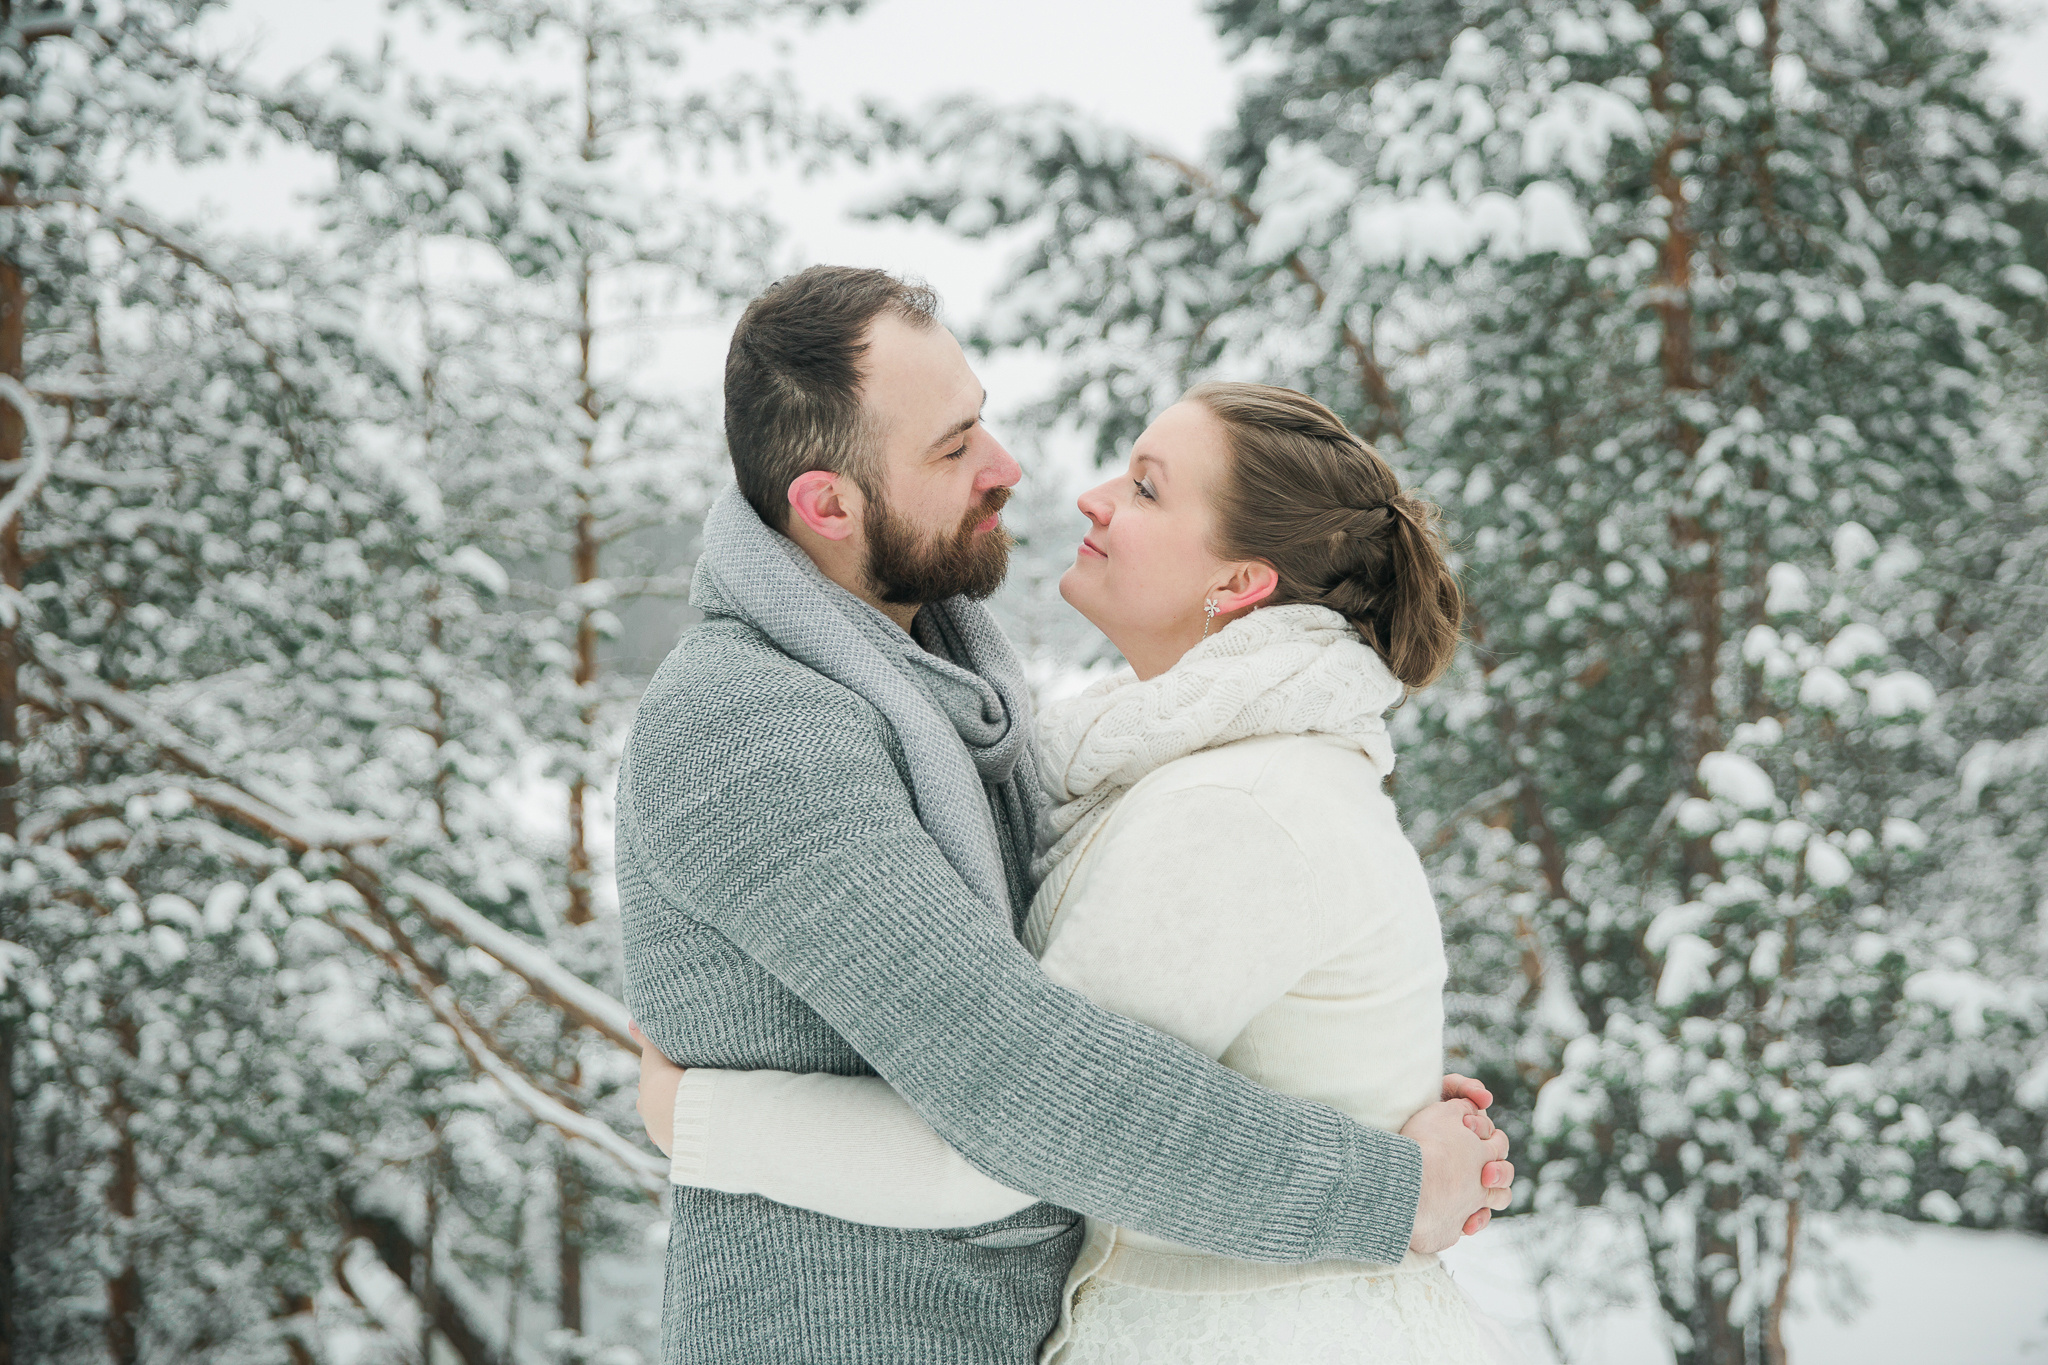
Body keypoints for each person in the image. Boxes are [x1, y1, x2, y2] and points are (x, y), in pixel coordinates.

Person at [615, 266, 1512, 1365]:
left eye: (980, 420)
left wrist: (1358, 1083)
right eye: (952, 449)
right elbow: (1017, 1082)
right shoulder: (755, 723)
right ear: (827, 504)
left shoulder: (956, 696)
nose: (1011, 469)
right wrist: (1387, 1186)